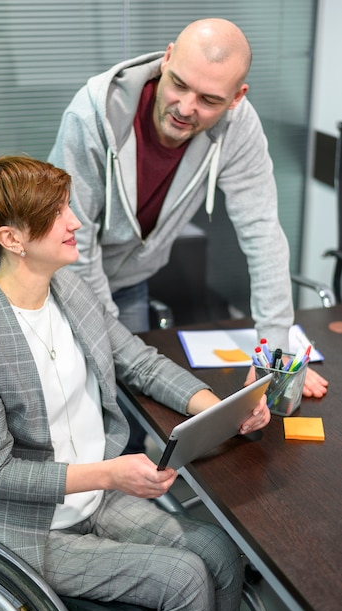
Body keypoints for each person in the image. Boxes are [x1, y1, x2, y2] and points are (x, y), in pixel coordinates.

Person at [0, 156, 271, 611]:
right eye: (56, 214)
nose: (74, 222)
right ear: (12, 239)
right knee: (184, 576)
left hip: (96, 500)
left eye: (68, 206)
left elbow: (141, 364)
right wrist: (109, 475)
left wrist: (224, 411)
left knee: (220, 550)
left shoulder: (72, 291)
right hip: (28, 529)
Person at [48, 17, 328, 452]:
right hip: (65, 282)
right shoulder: (93, 114)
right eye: (178, 83)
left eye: (209, 99)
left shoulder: (240, 128)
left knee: (133, 416)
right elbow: (73, 242)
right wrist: (114, 342)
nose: (184, 106)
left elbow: (263, 233)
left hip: (132, 283)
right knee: (80, 413)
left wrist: (276, 355)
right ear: (167, 57)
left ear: (237, 98)